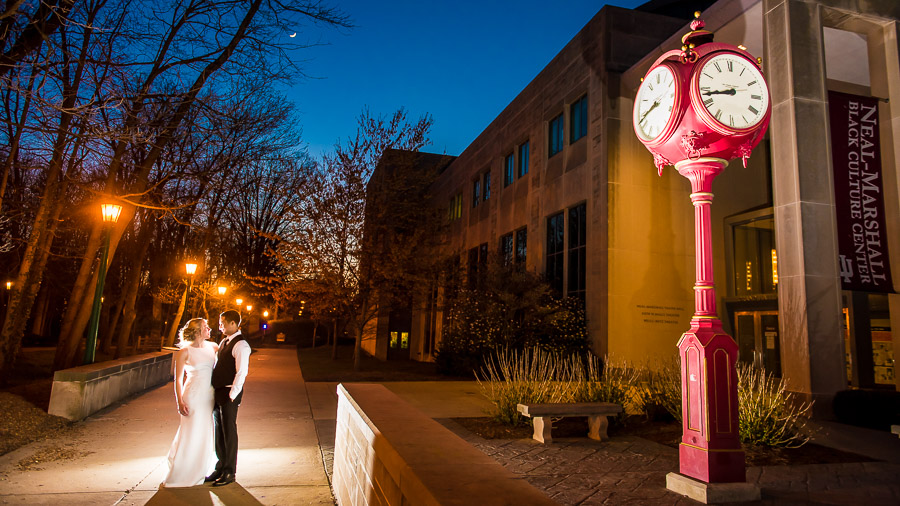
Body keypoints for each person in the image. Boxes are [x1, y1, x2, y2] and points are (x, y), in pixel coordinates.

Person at [163, 318, 217, 487]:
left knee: (205, 432)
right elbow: (177, 380)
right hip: (193, 396)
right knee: (191, 432)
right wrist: (179, 401)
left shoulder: (213, 347)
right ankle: (183, 470)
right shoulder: (184, 352)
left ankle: (201, 467)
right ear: (197, 331)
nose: (209, 328)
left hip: (209, 396)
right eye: (205, 327)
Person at [206, 309, 251, 486]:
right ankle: (220, 465)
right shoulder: (225, 341)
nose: (220, 326)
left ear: (234, 323)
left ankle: (229, 471)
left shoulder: (241, 345)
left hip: (230, 392)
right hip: (219, 391)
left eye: (223, 323)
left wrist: (233, 394)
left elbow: (242, 372)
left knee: (229, 431)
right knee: (219, 431)